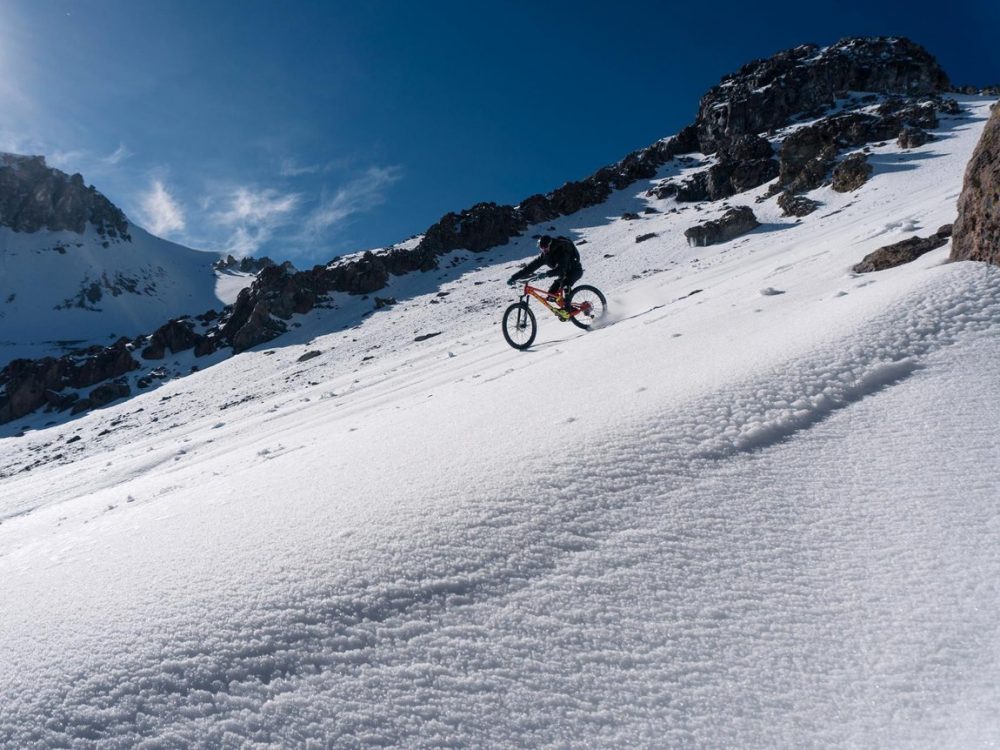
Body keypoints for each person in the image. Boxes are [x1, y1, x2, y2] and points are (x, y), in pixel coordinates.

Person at [507, 235, 584, 314]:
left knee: (565, 285)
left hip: (574, 271)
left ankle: (568, 310)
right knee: (551, 296)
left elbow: (561, 269)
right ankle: (570, 309)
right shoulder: (544, 256)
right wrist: (514, 277)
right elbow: (530, 268)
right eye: (542, 248)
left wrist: (547, 274)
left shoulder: (561, 250)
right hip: (563, 275)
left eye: (545, 247)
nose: (544, 250)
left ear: (550, 245)